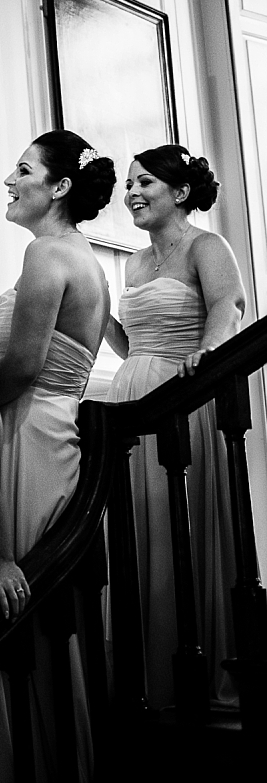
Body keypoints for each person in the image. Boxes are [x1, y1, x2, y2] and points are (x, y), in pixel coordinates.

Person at [105, 144, 245, 706]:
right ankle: (149, 677)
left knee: (175, 529)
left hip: (183, 398)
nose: (132, 193)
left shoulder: (206, 247)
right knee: (140, 531)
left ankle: (198, 671)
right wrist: (95, 319)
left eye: (146, 184)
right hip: (130, 399)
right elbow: (129, 342)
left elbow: (227, 309)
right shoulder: (134, 264)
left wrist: (206, 355)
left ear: (180, 193)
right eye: (129, 184)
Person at [0, 131, 114, 617]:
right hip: (57, 429)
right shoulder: (90, 263)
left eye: (22, 170)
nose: (8, 180)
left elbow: (22, 368)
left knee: (18, 578)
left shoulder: (46, 254)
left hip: (26, 432)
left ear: (59, 187)